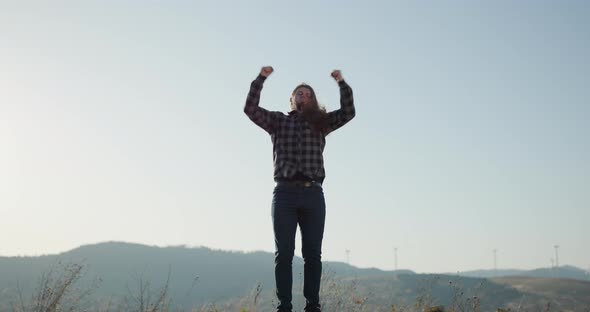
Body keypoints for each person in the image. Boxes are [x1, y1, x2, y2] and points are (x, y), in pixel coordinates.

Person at [244, 66, 355, 312]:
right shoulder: (277, 121)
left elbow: (348, 112)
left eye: (308, 93)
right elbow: (250, 109)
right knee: (283, 253)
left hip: (313, 194)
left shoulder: (322, 123)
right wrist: (261, 79)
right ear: (292, 100)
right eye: (299, 93)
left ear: (313, 100)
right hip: (283, 194)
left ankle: (312, 305)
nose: (303, 96)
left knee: (312, 254)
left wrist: (341, 83)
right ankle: (284, 306)